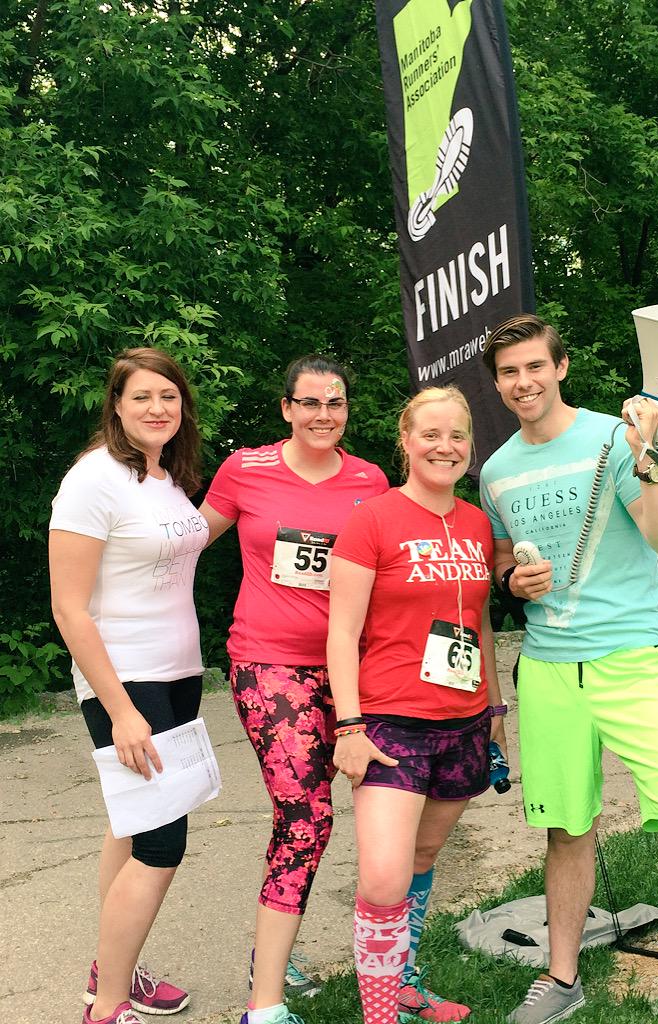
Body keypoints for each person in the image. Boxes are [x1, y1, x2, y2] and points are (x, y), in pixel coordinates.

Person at [478, 314, 658, 1024]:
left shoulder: (614, 435)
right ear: (497, 383)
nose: (523, 382)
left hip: (632, 661)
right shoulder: (497, 470)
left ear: (559, 367)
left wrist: (644, 460)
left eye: (534, 366)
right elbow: (503, 558)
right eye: (509, 372)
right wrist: (511, 584)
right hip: (547, 672)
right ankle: (561, 978)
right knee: (567, 830)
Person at [198, 355, 389, 1024]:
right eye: (308, 403)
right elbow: (187, 544)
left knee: (357, 823)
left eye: (334, 403)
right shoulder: (244, 470)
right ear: (285, 408)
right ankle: (266, 1004)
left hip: (354, 673)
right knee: (305, 818)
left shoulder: (370, 480)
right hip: (268, 664)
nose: (322, 415)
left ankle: (284, 958)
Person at [327, 385, 509, 1024]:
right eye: (431, 434)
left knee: (424, 860)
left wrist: (496, 713)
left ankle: (403, 980)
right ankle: (379, 1014)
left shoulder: (478, 524)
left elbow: (481, 624)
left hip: (464, 723)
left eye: (457, 435)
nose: (445, 446)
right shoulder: (371, 519)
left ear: (470, 447)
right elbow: (341, 632)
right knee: (383, 877)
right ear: (405, 441)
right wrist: (348, 724)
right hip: (388, 722)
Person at [50, 348, 209, 1024]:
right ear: (115, 405)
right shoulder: (93, 481)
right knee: (160, 844)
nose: (157, 409)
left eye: (168, 397)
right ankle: (107, 1007)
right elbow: (68, 606)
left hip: (178, 675)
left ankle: (113, 971)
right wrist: (119, 711)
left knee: (132, 824)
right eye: (142, 397)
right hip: (127, 682)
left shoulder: (165, 476)